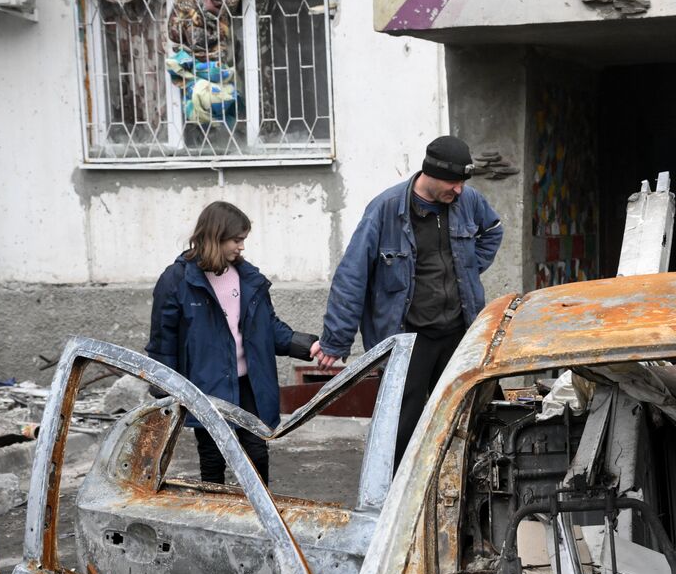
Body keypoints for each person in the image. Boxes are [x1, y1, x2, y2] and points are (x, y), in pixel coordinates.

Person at [313, 135, 503, 461]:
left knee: (470, 413)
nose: (458, 190)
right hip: (408, 339)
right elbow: (352, 275)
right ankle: (395, 496)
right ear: (430, 172)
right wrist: (335, 340)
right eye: (453, 182)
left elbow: (494, 230)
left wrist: (469, 270)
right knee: (401, 425)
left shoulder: (468, 200)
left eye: (462, 183)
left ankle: (464, 488)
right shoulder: (385, 210)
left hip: (459, 331)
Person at [146, 200, 318, 485]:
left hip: (248, 382)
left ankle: (257, 516)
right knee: (213, 457)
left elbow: (268, 327)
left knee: (257, 453)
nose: (241, 247)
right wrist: (165, 386)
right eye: (236, 240)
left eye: (243, 240)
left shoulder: (248, 277)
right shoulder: (177, 280)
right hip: (206, 383)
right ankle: (214, 520)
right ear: (215, 237)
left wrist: (306, 346)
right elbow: (164, 339)